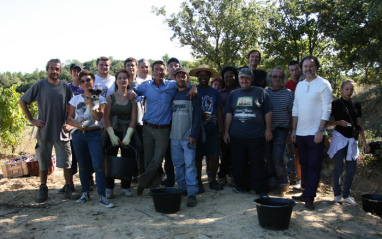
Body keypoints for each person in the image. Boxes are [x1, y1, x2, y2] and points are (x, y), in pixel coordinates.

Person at [129, 60, 196, 195]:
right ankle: (153, 188)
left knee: (158, 158)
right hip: (147, 128)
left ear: (166, 72)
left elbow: (186, 83)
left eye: (162, 69)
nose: (159, 72)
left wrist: (194, 87)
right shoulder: (146, 85)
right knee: (149, 159)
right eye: (157, 69)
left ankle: (142, 181)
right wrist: (131, 93)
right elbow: (134, 91)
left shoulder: (172, 85)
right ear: (152, 72)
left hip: (164, 129)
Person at [19, 59, 73, 203]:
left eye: (57, 69)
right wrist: (31, 120)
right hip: (44, 131)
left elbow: (72, 106)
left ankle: (69, 188)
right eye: (52, 68)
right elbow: (22, 101)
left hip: (62, 132)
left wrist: (71, 124)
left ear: (60, 71)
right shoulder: (39, 85)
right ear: (47, 70)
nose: (54, 71)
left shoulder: (65, 87)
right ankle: (43, 189)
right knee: (43, 162)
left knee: (67, 162)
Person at [291, 55, 332, 210]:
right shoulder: (300, 85)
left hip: (316, 134)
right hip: (300, 133)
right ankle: (304, 192)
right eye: (305, 66)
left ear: (316, 67)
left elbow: (326, 109)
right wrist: (294, 130)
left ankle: (310, 197)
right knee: (304, 164)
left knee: (314, 165)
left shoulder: (323, 84)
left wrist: (320, 131)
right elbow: (295, 108)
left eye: (311, 66)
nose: (308, 69)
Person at [67, 70, 114, 208]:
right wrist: (77, 125)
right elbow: (69, 118)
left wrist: (90, 103)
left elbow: (99, 117)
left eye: (88, 80)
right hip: (78, 135)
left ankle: (102, 196)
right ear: (80, 84)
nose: (86, 83)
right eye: (82, 81)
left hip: (94, 134)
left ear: (93, 81)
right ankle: (85, 193)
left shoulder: (100, 98)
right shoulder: (75, 99)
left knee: (98, 165)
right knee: (82, 165)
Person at [224, 68, 273, 198]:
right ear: (239, 80)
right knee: (239, 163)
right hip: (237, 135)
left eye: (246, 78)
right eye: (241, 78)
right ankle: (243, 186)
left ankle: (261, 189)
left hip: (256, 135)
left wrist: (268, 130)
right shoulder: (233, 94)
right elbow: (229, 114)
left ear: (251, 79)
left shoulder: (261, 92)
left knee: (258, 163)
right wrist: (226, 132)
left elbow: (268, 112)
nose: (244, 80)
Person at [327, 79, 370, 205]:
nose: (349, 92)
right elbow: (326, 122)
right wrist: (338, 123)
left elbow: (359, 124)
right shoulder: (334, 104)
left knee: (351, 169)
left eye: (351, 89)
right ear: (341, 89)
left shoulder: (356, 104)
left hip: (352, 139)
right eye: (347, 89)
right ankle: (337, 195)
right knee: (338, 168)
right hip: (339, 138)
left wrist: (365, 143)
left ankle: (346, 195)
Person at [170, 67, 202, 207]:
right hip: (174, 136)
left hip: (188, 137)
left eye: (184, 76)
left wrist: (194, 134)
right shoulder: (172, 93)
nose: (181, 79)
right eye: (178, 76)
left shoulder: (193, 94)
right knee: (178, 164)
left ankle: (191, 192)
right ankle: (181, 188)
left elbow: (197, 117)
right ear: (175, 78)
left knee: (189, 165)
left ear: (187, 78)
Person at [190, 65, 224, 192]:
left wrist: (221, 126)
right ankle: (198, 182)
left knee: (214, 156)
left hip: (212, 127)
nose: (203, 77)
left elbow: (219, 109)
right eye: (200, 75)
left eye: (206, 75)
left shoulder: (215, 92)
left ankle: (212, 180)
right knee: (198, 157)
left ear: (209, 77)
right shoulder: (194, 90)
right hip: (198, 128)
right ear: (197, 77)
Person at [104, 69, 137, 198]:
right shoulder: (110, 97)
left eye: (125, 78)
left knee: (128, 158)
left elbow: (134, 118)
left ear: (128, 81)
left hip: (128, 130)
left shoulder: (132, 97)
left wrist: (128, 136)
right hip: (113, 130)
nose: (122, 80)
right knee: (110, 159)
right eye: (120, 78)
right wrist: (112, 135)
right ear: (116, 81)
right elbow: (106, 118)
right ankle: (109, 187)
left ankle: (126, 186)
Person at [265, 67, 294, 196]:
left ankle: (283, 183)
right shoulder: (264, 93)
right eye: (275, 76)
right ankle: (272, 182)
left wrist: (291, 131)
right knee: (268, 158)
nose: (277, 79)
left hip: (281, 130)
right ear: (270, 78)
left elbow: (292, 113)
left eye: (280, 77)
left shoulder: (289, 93)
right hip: (266, 130)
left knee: (278, 157)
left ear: (283, 79)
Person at [57, 63, 84, 195]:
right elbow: (64, 107)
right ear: (70, 73)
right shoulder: (66, 87)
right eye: (74, 71)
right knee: (69, 156)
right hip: (68, 126)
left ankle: (88, 181)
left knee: (84, 156)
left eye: (79, 71)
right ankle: (69, 183)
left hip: (83, 126)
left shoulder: (85, 87)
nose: (76, 73)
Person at [217, 66, 239, 186]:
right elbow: (219, 111)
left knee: (238, 154)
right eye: (226, 77)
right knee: (225, 153)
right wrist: (222, 127)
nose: (229, 79)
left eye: (231, 76)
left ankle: (236, 176)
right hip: (226, 127)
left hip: (240, 127)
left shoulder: (242, 90)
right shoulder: (220, 93)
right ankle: (222, 176)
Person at [124, 57, 145, 179]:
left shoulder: (142, 84)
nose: (131, 68)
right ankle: (132, 173)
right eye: (128, 65)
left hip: (141, 121)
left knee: (141, 149)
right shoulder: (121, 83)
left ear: (137, 67)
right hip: (126, 122)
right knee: (128, 149)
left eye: (133, 65)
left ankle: (141, 173)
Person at [284, 60, 302, 189]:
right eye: (292, 70)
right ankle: (292, 177)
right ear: (289, 72)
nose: (295, 72)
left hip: (307, 123)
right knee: (291, 152)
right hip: (292, 123)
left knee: (303, 152)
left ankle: (303, 179)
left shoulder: (307, 83)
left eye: (297, 69)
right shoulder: (287, 86)